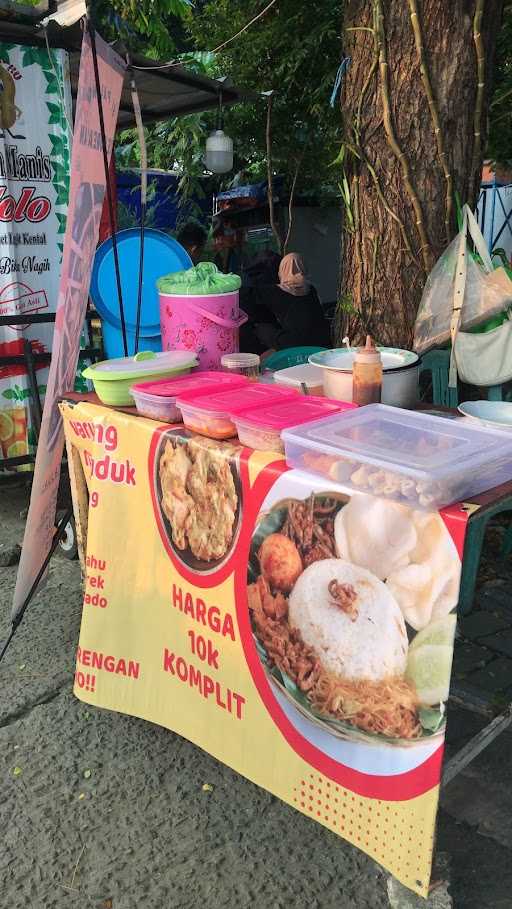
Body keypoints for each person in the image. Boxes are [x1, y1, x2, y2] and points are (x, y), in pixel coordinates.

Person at [239, 252, 330, 355]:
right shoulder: (311, 289)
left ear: (282, 269)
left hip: (292, 343)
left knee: (261, 328)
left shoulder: (276, 291)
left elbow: (247, 295)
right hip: (321, 342)